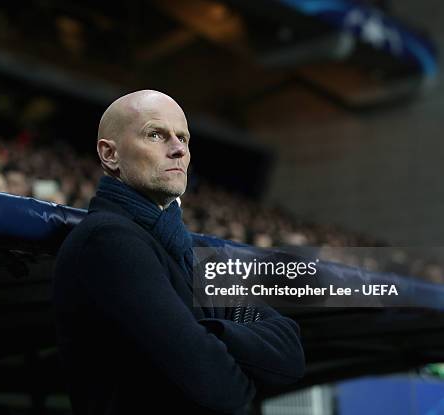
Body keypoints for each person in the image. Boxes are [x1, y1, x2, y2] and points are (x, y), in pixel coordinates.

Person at [53, 90, 304, 415]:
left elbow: (290, 352)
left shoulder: (197, 251)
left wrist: (210, 332)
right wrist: (232, 344)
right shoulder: (108, 241)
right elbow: (222, 389)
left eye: (183, 138)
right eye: (156, 134)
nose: (177, 149)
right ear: (109, 154)